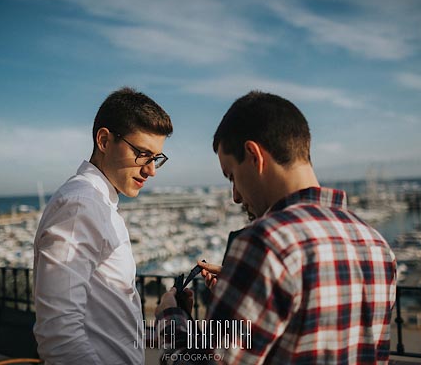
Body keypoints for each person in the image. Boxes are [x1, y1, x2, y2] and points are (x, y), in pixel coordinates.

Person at [155, 91, 397, 364]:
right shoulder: (375, 243)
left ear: (254, 155)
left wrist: (171, 321)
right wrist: (244, 287)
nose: (235, 195)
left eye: (232, 176)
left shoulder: (265, 242)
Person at [33, 87, 173, 364]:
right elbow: (59, 334)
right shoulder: (80, 206)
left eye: (156, 158)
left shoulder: (97, 202)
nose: (151, 170)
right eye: (142, 153)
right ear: (104, 140)